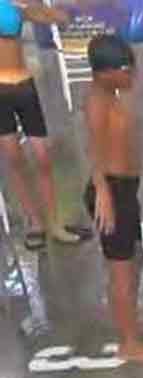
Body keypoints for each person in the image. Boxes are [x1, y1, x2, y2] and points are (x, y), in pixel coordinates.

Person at [84, 34, 143, 364]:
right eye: (126, 70)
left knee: (133, 262)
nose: (133, 76)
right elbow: (93, 150)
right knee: (122, 271)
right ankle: (130, 343)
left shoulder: (110, 94)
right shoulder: (96, 102)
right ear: (105, 73)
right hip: (112, 193)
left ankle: (130, 326)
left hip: (124, 191)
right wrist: (103, 192)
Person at [0, 0, 80, 249]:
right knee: (14, 158)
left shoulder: (12, 6)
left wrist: (57, 15)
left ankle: (54, 223)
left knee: (42, 156)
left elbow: (49, 15)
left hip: (23, 84)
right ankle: (34, 222)